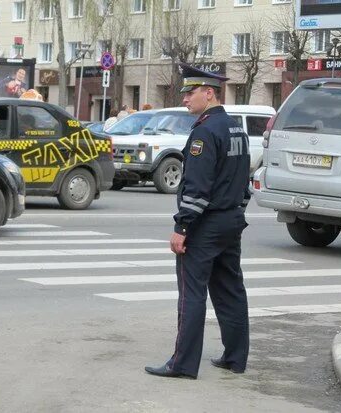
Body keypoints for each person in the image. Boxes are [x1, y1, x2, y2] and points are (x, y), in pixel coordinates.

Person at [145, 63, 251, 380]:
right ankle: (235, 357)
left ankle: (183, 363)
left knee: (192, 294)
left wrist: (182, 227)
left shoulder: (204, 132)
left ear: (209, 93)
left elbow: (197, 188)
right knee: (230, 290)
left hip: (206, 225)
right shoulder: (235, 129)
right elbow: (243, 183)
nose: (186, 100)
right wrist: (235, 211)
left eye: (190, 93)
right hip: (230, 221)